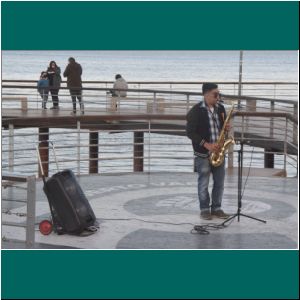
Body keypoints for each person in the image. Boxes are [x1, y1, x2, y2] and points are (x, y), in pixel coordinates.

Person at [186, 83, 231, 220]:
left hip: (219, 152)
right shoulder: (195, 111)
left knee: (220, 182)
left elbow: (222, 128)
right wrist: (206, 145)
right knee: (203, 182)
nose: (218, 97)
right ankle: (204, 209)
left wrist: (226, 128)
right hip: (203, 153)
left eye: (219, 94)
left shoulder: (221, 108)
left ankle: (216, 208)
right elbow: (190, 133)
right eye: (215, 94)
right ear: (206, 94)